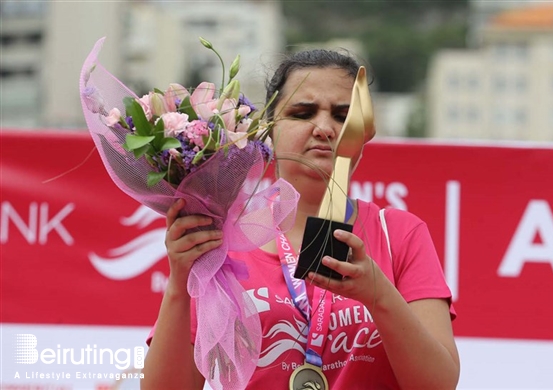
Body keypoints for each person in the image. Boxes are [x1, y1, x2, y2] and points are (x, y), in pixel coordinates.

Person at [141, 49, 460, 389]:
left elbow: (438, 384)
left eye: (342, 116)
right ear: (267, 129)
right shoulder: (222, 240)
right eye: (303, 113)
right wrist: (179, 284)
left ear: (365, 132)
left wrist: (378, 295)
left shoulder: (398, 234)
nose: (324, 128)